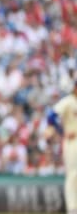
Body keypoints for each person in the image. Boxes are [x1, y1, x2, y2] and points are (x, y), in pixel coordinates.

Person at [46, 82, 77, 214]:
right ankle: (73, 209)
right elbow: (51, 115)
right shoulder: (69, 101)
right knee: (73, 175)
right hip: (73, 141)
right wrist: (61, 131)